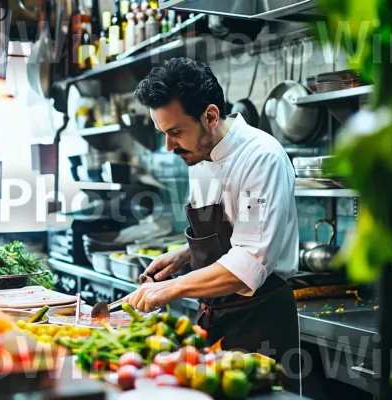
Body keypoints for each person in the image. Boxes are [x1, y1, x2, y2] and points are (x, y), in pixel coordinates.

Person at [127, 57, 300, 390]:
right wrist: (184, 255)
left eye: (175, 132)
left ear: (210, 116)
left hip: (259, 321)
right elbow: (226, 232)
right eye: (163, 133)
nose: (169, 146)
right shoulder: (199, 153)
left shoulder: (261, 158)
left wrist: (168, 289)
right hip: (214, 316)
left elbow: (248, 264)